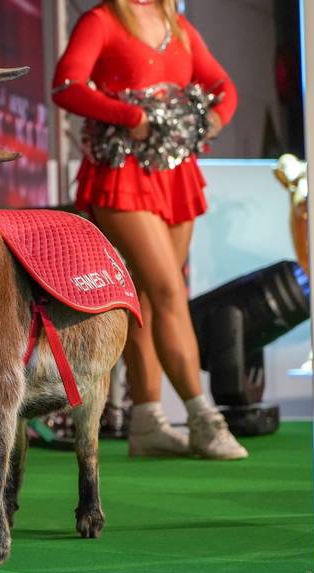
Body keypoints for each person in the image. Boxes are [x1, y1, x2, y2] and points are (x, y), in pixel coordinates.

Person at [52, 0, 248, 460]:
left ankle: (146, 421)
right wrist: (130, 117)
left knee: (144, 297)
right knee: (167, 290)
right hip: (122, 173)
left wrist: (216, 118)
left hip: (174, 173)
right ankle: (203, 417)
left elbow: (223, 86)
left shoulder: (177, 27)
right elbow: (66, 86)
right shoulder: (101, 21)